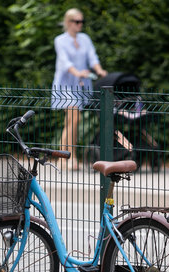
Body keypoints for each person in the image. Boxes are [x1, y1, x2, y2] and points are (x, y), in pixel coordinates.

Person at [51, 8, 107, 169]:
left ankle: (66, 156)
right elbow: (64, 62)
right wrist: (78, 73)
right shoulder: (60, 40)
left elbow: (92, 56)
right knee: (73, 118)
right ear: (68, 23)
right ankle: (68, 157)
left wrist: (99, 70)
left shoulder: (85, 39)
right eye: (76, 21)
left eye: (82, 21)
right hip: (66, 84)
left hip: (81, 84)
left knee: (72, 121)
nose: (80, 24)